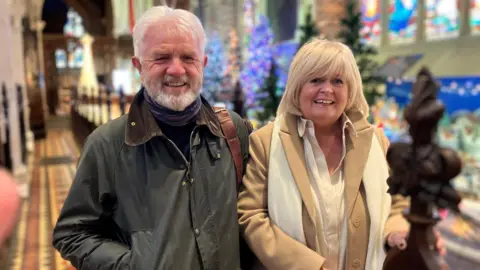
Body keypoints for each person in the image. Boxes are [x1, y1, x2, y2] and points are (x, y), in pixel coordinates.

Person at [53, 6, 251, 270]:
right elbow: (72, 234)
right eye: (161, 58)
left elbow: (252, 213)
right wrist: (133, 264)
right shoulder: (107, 145)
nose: (177, 70)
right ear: (139, 66)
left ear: (202, 64)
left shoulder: (232, 131)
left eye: (189, 58)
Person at [237, 39, 445, 270]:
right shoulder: (266, 142)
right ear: (297, 86)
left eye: (337, 81)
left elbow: (397, 202)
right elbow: (251, 215)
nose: (327, 89)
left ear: (350, 89)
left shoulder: (376, 142)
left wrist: (398, 231)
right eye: (316, 79)